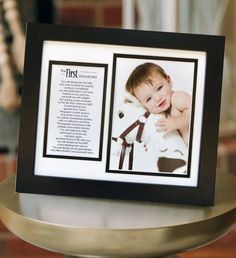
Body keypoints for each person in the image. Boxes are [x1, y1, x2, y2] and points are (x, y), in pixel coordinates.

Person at [125, 62, 191, 145]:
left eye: (159, 88)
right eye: (149, 99)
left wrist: (176, 122)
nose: (158, 98)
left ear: (169, 81)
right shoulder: (162, 113)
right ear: (143, 106)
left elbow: (195, 111)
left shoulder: (176, 97)